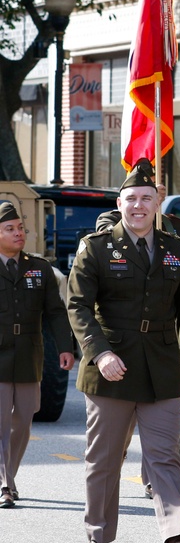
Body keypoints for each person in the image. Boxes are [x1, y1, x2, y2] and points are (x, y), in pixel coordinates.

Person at [67, 162, 180, 543]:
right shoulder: (96, 247)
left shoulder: (176, 248)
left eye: (147, 198)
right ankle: (98, 538)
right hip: (112, 368)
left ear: (158, 202)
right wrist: (100, 352)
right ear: (120, 204)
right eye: (132, 199)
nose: (139, 206)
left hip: (161, 368)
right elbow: (77, 306)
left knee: (165, 457)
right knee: (105, 460)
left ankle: (176, 541)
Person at [0, 202, 74, 508]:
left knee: (24, 420)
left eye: (20, 228)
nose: (19, 234)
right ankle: (5, 483)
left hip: (30, 353)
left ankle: (9, 476)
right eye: (10, 229)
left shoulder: (39, 268)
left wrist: (66, 346)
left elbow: (56, 313)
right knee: (2, 421)